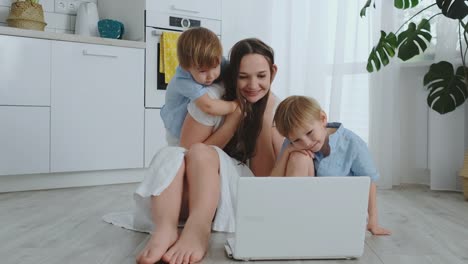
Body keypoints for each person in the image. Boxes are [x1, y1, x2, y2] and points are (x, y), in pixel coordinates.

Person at [135, 38, 284, 264]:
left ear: (272, 73)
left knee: (202, 152)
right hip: (197, 189)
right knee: (173, 154)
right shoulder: (211, 99)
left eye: (261, 76)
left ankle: (197, 230)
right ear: (232, 74)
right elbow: (184, 155)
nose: (253, 85)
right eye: (243, 76)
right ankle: (166, 229)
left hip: (240, 193)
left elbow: (262, 181)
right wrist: (232, 121)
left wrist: (263, 117)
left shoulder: (277, 109)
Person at [271, 95, 391, 236]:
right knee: (299, 157)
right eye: (297, 140)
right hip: (307, 205)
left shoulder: (352, 143)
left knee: (299, 155)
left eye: (309, 133)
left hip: (338, 207)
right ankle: (294, 218)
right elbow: (273, 183)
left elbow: (369, 181)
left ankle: (301, 222)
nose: (306, 143)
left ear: (323, 119)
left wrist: (373, 220)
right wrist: (288, 151)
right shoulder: (293, 144)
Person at [160, 27, 237, 145]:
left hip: (193, 123)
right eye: (202, 71)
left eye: (215, 67)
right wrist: (234, 106)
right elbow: (208, 106)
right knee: (180, 154)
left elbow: (233, 69)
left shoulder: (214, 59)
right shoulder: (183, 79)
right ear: (186, 67)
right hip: (176, 130)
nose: (211, 75)